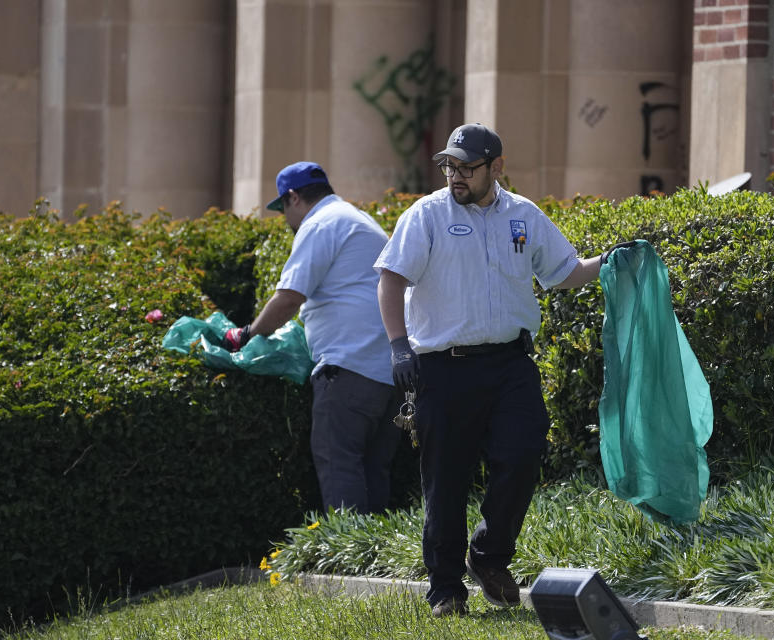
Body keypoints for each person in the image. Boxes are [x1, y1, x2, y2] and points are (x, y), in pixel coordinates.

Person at [374, 123, 621, 617]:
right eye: (450, 166)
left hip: (510, 363)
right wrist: (400, 348)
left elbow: (563, 272)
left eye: (467, 167)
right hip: (443, 368)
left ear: (496, 167)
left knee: (524, 452)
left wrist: (611, 262)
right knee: (445, 479)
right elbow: (391, 279)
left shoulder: (523, 216)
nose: (456, 176)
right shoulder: (427, 215)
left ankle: (488, 557)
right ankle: (445, 588)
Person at [223, 161, 401, 514]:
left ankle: (350, 555)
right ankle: (376, 559)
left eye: (283, 209)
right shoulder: (357, 219)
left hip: (349, 366)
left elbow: (289, 296)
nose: (286, 219)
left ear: (294, 198)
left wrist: (248, 333)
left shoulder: (320, 223)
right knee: (373, 469)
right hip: (391, 371)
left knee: (338, 461)